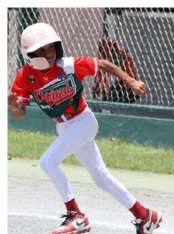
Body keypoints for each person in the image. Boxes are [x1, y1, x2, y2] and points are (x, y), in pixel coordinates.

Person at [8, 22, 162, 234]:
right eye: (42, 50)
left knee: (47, 162)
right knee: (100, 177)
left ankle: (76, 215)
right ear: (30, 54)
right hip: (64, 128)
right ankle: (145, 215)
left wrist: (130, 81)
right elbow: (19, 113)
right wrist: (15, 105)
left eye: (51, 47)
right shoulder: (26, 76)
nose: (49, 53)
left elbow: (103, 64)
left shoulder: (68, 65)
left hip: (83, 122)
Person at [92, 36, 138, 102]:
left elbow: (130, 74)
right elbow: (102, 73)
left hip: (127, 87)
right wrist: (99, 86)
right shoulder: (105, 57)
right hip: (121, 86)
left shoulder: (123, 54)